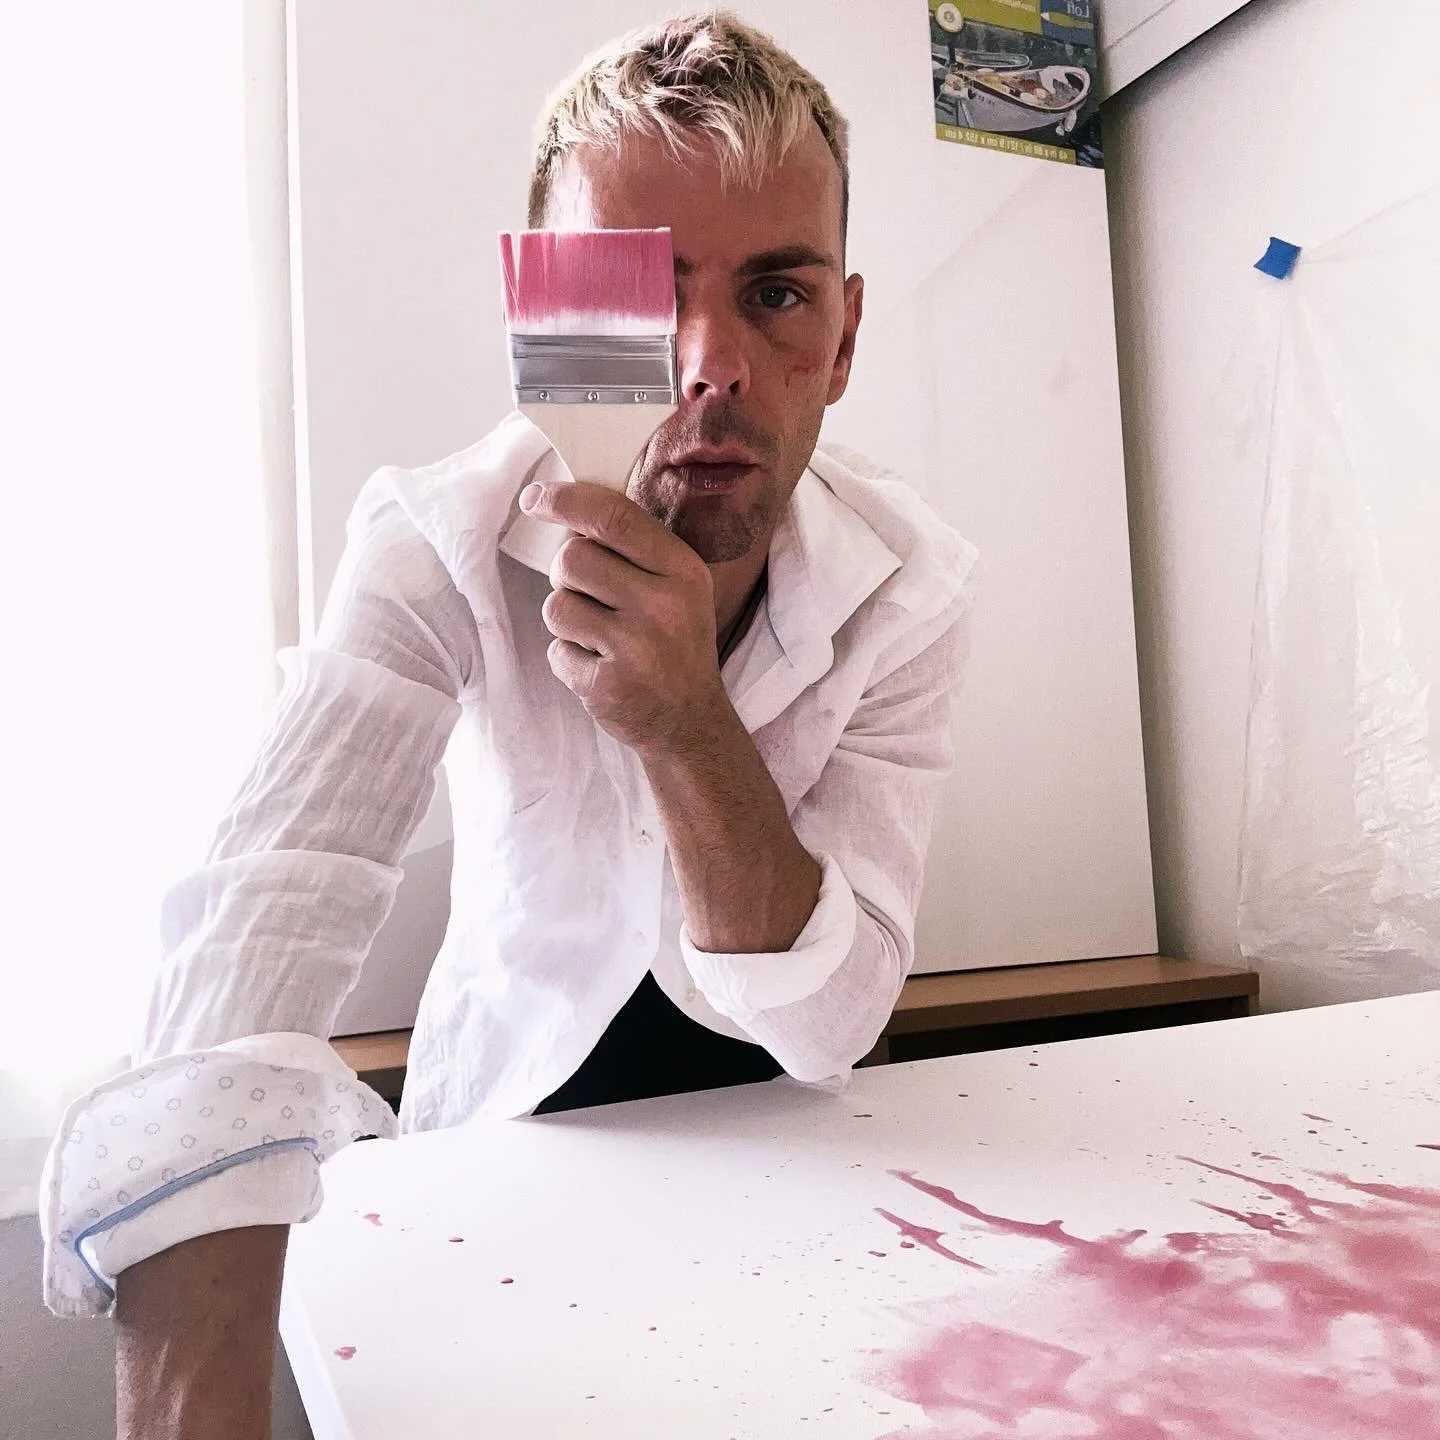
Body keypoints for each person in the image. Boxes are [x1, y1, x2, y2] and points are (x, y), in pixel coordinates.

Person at [40, 11, 977, 1438]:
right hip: (499, 1158)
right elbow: (259, 930)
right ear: (543, 336)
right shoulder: (439, 543)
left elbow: (831, 1022)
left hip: (808, 1178)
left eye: (776, 295)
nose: (709, 363)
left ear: (842, 340)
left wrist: (686, 725)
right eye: (640, 295)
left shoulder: (910, 587)